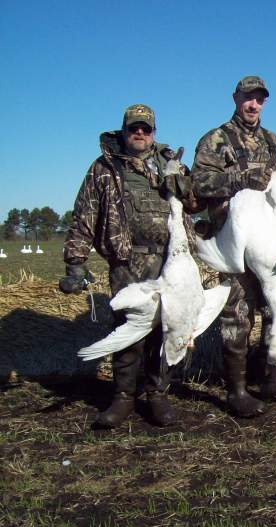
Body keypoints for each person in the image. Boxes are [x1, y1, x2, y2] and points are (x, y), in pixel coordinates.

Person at [61, 104, 194, 428]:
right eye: (133, 128)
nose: (139, 133)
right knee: (128, 330)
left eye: (145, 129)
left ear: (153, 132)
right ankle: (122, 397)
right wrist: (75, 263)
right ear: (123, 131)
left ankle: (157, 394)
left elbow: (194, 204)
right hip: (128, 261)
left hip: (170, 260)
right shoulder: (104, 168)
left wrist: (182, 183)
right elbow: (84, 215)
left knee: (167, 328)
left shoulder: (170, 163)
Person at [191, 75, 276, 418]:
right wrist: (241, 180)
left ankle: (274, 379)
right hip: (235, 243)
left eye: (259, 99)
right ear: (235, 97)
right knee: (238, 315)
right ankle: (237, 391)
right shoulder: (216, 139)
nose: (253, 104)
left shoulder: (273, 141)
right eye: (247, 97)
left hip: (270, 244)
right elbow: (199, 183)